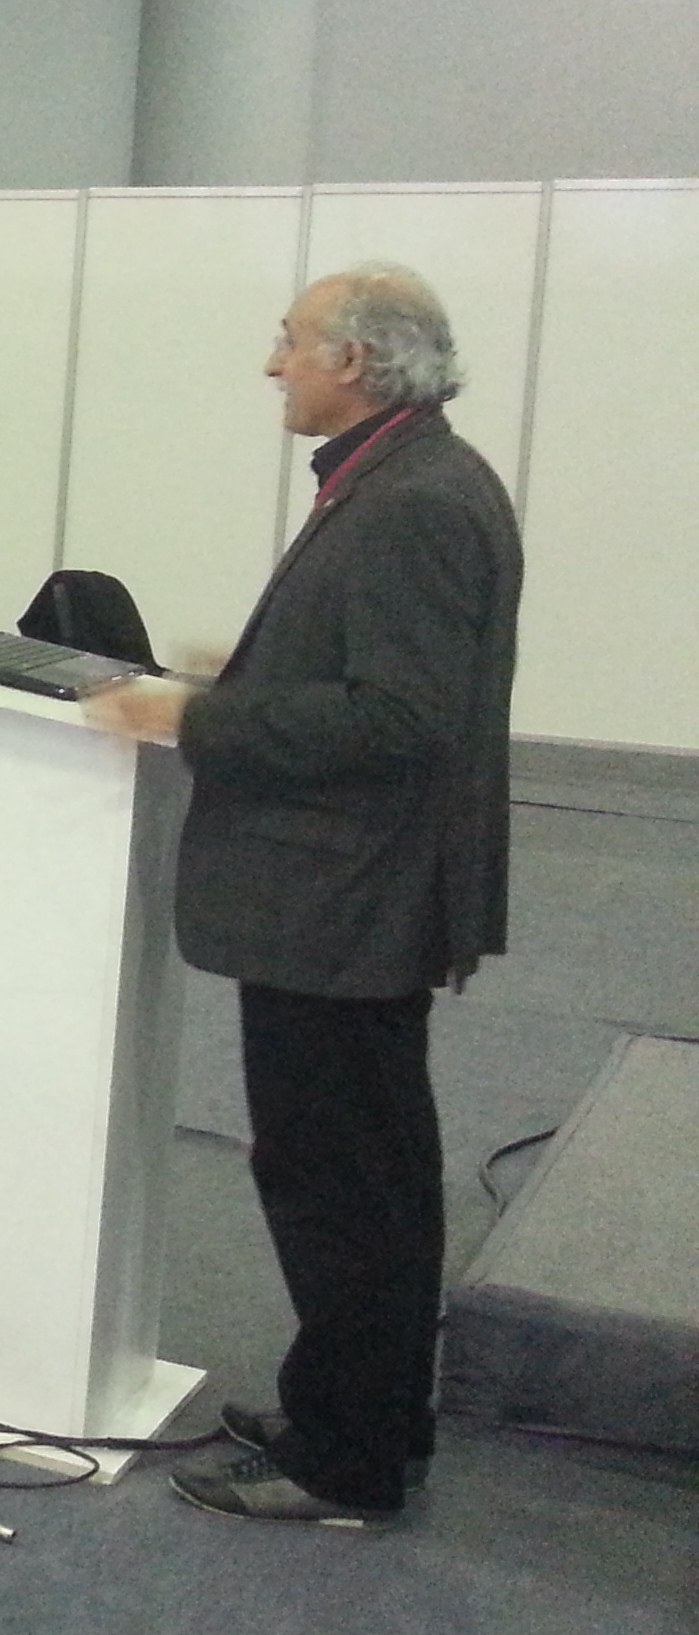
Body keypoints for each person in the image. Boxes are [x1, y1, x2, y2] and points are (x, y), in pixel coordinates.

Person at [88, 264, 520, 1529]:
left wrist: (195, 717)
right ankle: (365, 1415)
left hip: (344, 905)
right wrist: (250, 676)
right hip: (354, 895)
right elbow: (380, 678)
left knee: (343, 1191)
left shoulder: (413, 504)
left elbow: (395, 721)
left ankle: (347, 1461)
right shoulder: (412, 476)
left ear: (357, 362)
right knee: (365, 1177)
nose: (274, 365)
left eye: (291, 342)